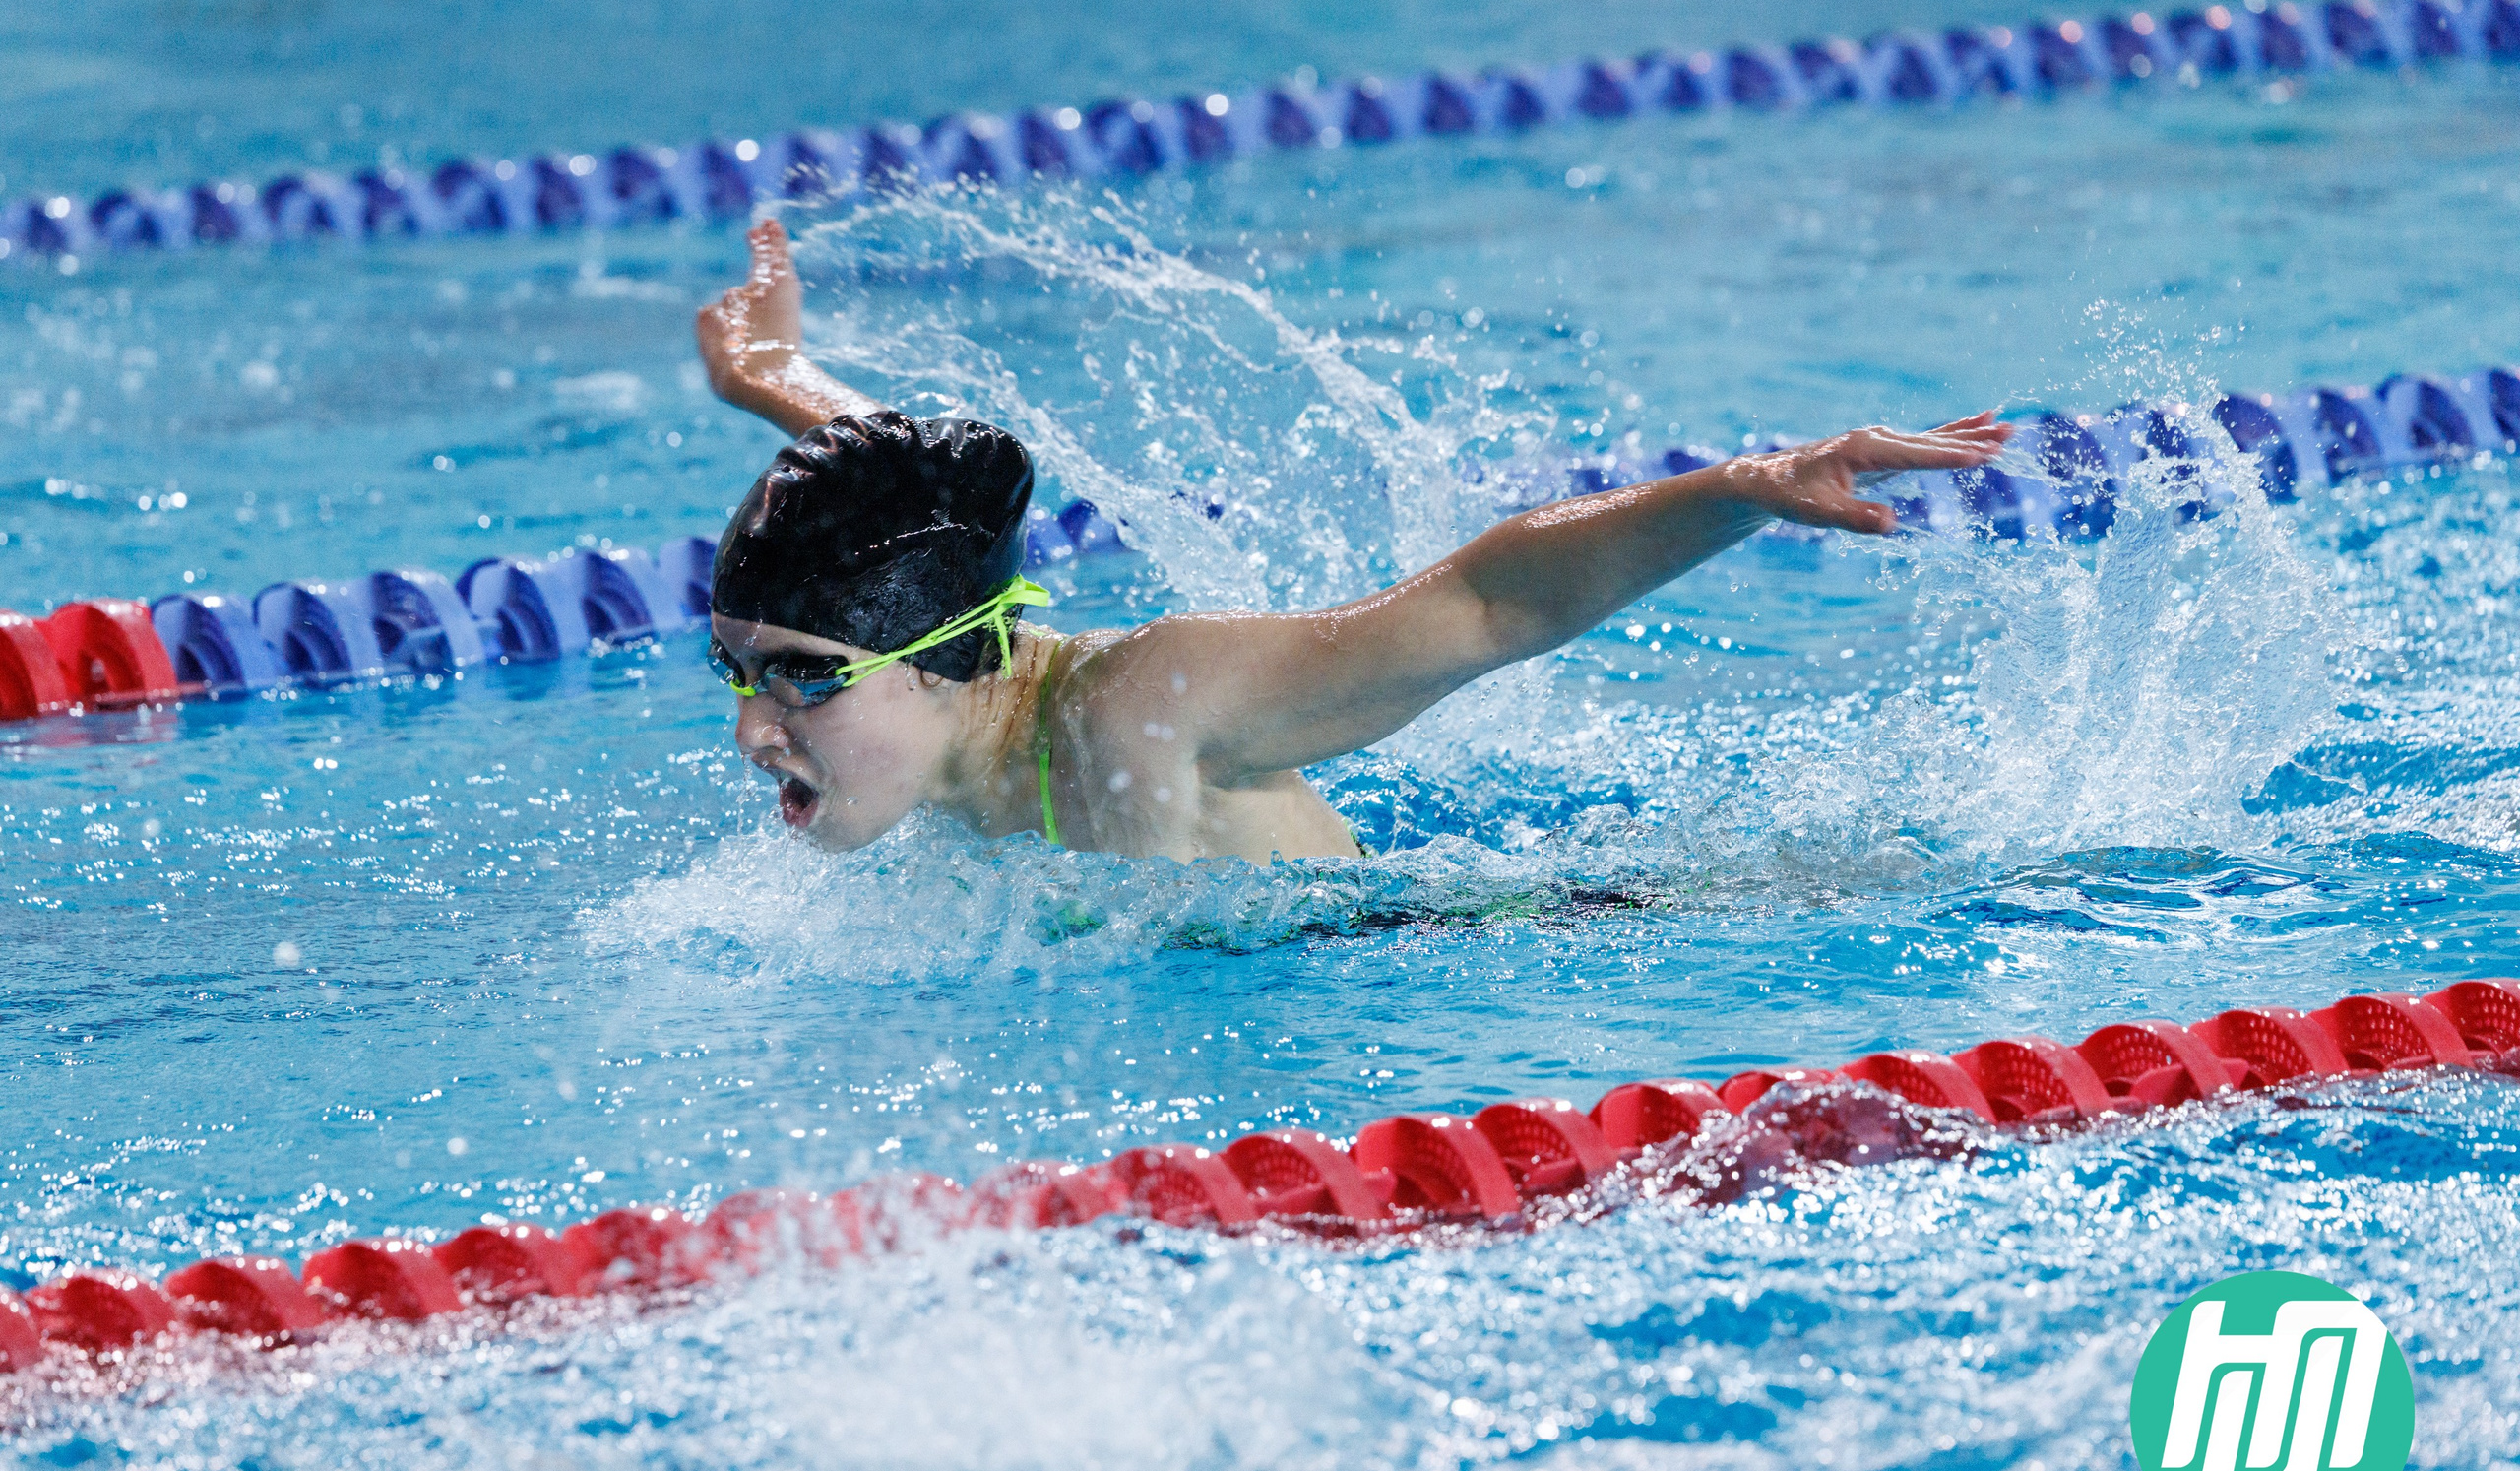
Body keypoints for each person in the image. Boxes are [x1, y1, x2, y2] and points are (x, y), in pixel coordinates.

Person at [696, 218, 2010, 862]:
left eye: (802, 677)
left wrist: (1737, 488)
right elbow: (917, 513)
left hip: (1456, 949)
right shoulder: (931, 689)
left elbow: (1486, 608)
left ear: (950, 657)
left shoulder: (1141, 709)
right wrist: (780, 380)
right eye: (743, 673)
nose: (759, 727)